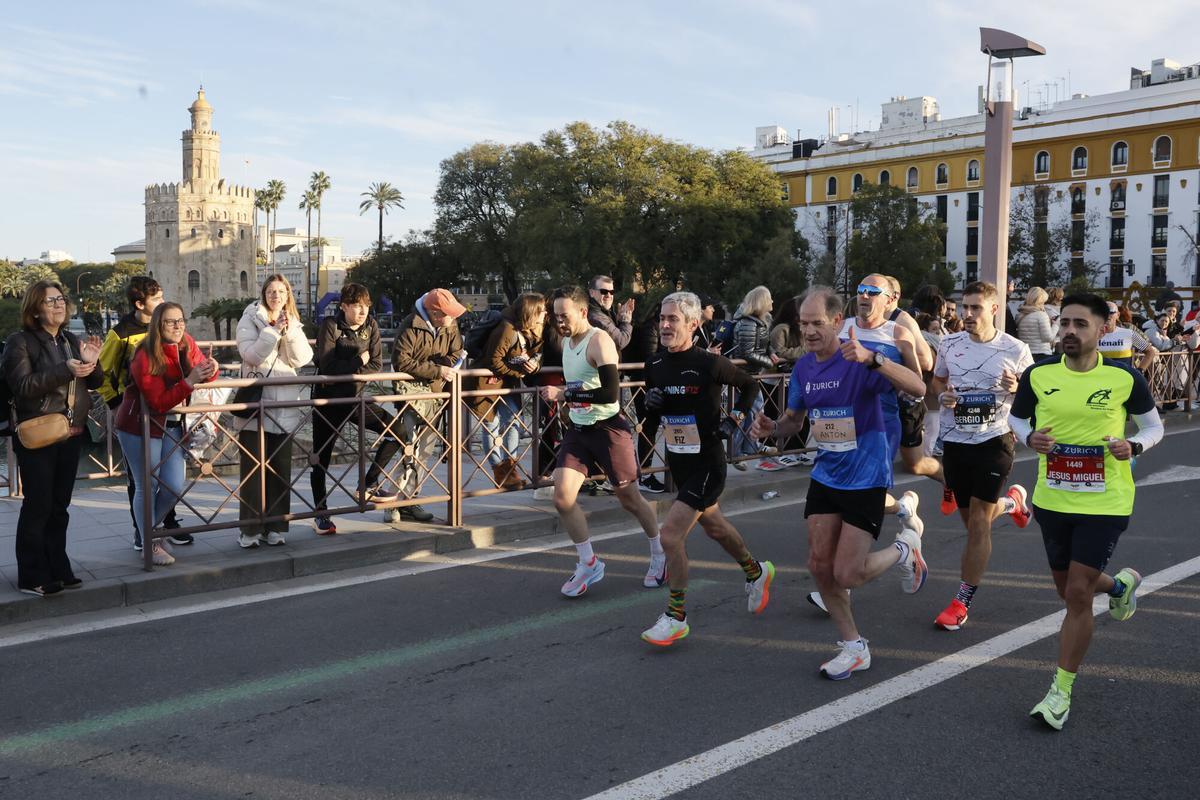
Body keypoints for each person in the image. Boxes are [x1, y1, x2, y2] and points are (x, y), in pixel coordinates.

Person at [751, 286, 929, 680]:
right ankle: (854, 646)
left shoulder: (860, 359)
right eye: (802, 324)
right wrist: (771, 429)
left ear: (836, 321)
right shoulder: (803, 369)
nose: (809, 331)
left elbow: (918, 388)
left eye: (816, 323)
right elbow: (794, 422)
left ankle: (905, 548)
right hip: (827, 474)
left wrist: (874, 359)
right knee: (819, 564)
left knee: (848, 574)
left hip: (866, 477)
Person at [1010, 293, 1162, 730]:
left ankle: (1060, 692)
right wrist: (1029, 437)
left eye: (1080, 324)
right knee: (1067, 589)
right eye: (1065, 323)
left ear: (1102, 331)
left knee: (1077, 595)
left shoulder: (1124, 378)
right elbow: (1018, 420)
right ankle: (1118, 587)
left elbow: (1154, 426)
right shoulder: (1038, 375)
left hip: (1106, 499)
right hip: (1053, 499)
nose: (1070, 331)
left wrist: (1133, 445)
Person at [639, 292, 774, 645]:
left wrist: (736, 420)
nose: (665, 325)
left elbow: (749, 385)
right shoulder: (653, 365)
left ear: (693, 325)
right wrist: (650, 406)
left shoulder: (708, 363)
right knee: (715, 527)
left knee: (670, 536)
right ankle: (756, 571)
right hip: (679, 461)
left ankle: (676, 615)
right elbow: (650, 416)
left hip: (708, 463)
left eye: (673, 320)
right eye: (662, 319)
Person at [537, 286, 663, 597]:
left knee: (630, 499)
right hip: (579, 431)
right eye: (555, 317)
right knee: (562, 497)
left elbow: (610, 393)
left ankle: (661, 554)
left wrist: (566, 394)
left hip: (608, 430)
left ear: (582, 312)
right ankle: (588, 562)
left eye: (564, 316)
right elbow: (579, 382)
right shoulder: (567, 341)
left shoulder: (600, 341)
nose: (559, 322)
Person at [929, 282, 1034, 630]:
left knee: (977, 526)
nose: (967, 314)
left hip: (995, 441)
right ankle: (1013, 504)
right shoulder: (949, 343)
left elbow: (1031, 400)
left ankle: (961, 601)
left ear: (993, 309)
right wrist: (943, 396)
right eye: (964, 307)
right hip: (957, 442)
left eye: (975, 308)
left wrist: (1016, 388)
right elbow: (937, 383)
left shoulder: (1016, 349)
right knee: (975, 521)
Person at [2, 280, 104, 596]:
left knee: (59, 505)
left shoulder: (70, 339)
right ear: (34, 308)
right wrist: (65, 370)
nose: (59, 305)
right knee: (39, 504)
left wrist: (91, 362)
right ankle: (32, 575)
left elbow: (96, 382)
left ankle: (58, 567)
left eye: (61, 299)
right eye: (50, 301)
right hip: (39, 432)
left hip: (70, 432)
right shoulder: (20, 342)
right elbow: (23, 386)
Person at [114, 302, 218, 565]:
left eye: (181, 320)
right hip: (140, 425)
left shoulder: (186, 343)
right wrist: (191, 380)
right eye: (170, 322)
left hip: (172, 425)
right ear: (158, 326)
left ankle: (149, 530)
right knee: (145, 485)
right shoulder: (144, 354)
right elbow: (158, 401)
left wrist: (211, 369)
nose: (177, 326)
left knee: (173, 486)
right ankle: (148, 540)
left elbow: (201, 371)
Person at [96, 276, 191, 550]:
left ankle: (164, 525)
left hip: (169, 413)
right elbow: (105, 372)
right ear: (140, 304)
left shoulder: (171, 331)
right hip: (137, 412)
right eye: (157, 299)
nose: (162, 302)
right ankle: (144, 534)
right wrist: (114, 404)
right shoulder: (121, 333)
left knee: (169, 480)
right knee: (141, 481)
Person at [309, 283, 404, 534]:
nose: (362, 312)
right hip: (327, 402)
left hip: (357, 400)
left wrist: (351, 367)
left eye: (365, 306)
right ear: (344, 306)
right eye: (356, 306)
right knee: (320, 459)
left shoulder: (370, 326)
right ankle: (321, 513)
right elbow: (328, 367)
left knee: (398, 432)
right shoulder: (330, 326)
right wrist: (357, 361)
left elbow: (375, 365)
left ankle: (368, 483)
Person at [233, 274, 314, 548]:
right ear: (263, 294)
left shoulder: (294, 323)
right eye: (271, 291)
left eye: (281, 291)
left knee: (280, 470)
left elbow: (303, 359)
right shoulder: (249, 319)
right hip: (257, 404)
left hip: (285, 404)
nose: (276, 295)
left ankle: (276, 526)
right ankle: (250, 530)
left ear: (288, 295)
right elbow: (252, 356)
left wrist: (289, 331)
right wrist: (271, 331)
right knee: (253, 471)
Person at [388, 288, 467, 523]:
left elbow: (456, 353)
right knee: (408, 448)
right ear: (434, 313)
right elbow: (401, 361)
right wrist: (437, 369)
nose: (452, 319)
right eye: (447, 315)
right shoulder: (410, 325)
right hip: (410, 395)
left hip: (435, 393)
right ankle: (392, 502)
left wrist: (445, 365)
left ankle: (410, 500)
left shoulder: (450, 325)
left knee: (424, 451)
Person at [464, 293, 545, 490]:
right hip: (485, 384)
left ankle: (511, 470)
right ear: (530, 312)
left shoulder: (527, 329)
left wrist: (534, 363)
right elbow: (494, 361)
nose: (545, 314)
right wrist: (517, 373)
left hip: (505, 384)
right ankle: (500, 471)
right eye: (542, 310)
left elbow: (535, 352)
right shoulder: (507, 330)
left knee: (514, 420)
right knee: (491, 425)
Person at [726, 285, 776, 468]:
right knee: (745, 412)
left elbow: (763, 344)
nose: (772, 301)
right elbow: (746, 352)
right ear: (761, 301)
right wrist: (769, 362)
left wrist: (771, 353)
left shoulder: (759, 321)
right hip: (743, 376)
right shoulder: (747, 323)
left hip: (751, 375)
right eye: (769, 298)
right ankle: (736, 452)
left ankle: (749, 447)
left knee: (752, 412)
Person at [1099, 302, 1157, 371]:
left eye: (1111, 312)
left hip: (1123, 379)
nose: (1107, 315)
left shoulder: (1129, 333)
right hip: (1099, 380)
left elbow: (1150, 352)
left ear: (1118, 315)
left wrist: (1140, 371)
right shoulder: (1092, 335)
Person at [1016, 287, 1058, 358]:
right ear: (1040, 301)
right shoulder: (1041, 315)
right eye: (1043, 302)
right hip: (1042, 353)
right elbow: (1048, 338)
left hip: (1025, 354)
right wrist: (1056, 324)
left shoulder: (1020, 315)